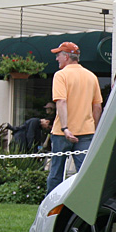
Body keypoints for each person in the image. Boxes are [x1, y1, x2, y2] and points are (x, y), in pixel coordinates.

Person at [46, 41, 103, 194]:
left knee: (56, 174)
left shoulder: (61, 75)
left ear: (66, 56)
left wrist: (65, 128)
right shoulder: (91, 76)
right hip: (86, 132)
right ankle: (87, 203)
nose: (56, 58)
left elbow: (61, 101)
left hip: (61, 133)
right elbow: (97, 107)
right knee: (85, 174)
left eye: (58, 55)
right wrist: (94, 130)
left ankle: (51, 209)